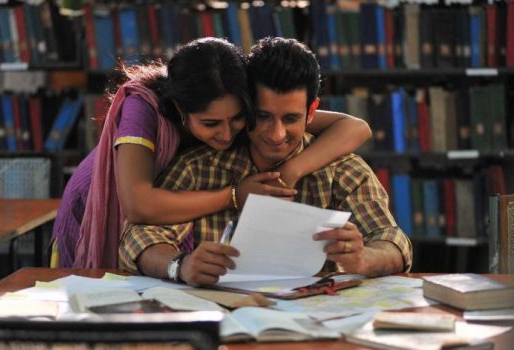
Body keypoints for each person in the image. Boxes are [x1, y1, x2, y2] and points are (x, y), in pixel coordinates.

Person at [52, 37, 372, 268]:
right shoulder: (143, 109)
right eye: (210, 123)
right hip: (100, 204)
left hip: (169, 202)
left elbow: (355, 127)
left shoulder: (262, 113)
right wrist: (235, 196)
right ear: (180, 110)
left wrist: (289, 173)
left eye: (238, 119)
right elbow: (138, 206)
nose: (227, 133)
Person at [118, 37, 412, 286]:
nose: (276, 134)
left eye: (291, 118)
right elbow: (136, 235)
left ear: (312, 112)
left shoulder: (343, 170)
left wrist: (364, 258)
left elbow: (393, 241)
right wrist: (180, 265)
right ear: (245, 106)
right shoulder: (198, 166)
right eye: (263, 116)